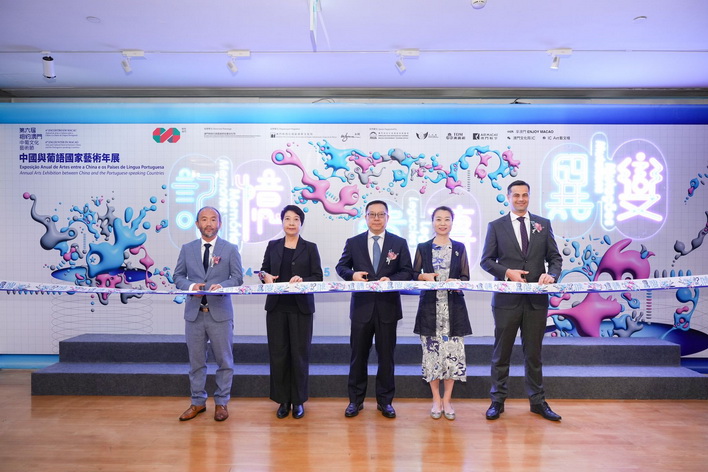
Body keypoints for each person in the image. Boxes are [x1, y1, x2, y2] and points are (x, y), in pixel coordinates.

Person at [480, 180, 563, 421]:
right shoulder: (496, 226)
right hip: (506, 301)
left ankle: (538, 402)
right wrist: (508, 272)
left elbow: (555, 258)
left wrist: (552, 275)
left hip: (536, 301)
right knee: (501, 353)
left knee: (534, 354)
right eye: (516, 195)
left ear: (529, 197)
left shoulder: (543, 224)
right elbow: (486, 261)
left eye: (524, 195)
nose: (520, 199)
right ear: (508, 198)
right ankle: (497, 401)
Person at [335, 200, 413, 419]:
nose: (376, 218)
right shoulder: (354, 242)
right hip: (362, 308)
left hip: (388, 308)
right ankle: (355, 401)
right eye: (372, 214)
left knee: (386, 358)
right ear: (366, 217)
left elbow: (408, 271)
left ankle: (385, 402)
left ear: (388, 217)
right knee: (358, 357)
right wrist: (353, 275)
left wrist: (392, 279)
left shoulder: (398, 243)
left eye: (381, 214)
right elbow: (341, 267)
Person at [174, 206, 243, 422]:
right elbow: (177, 277)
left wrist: (222, 286)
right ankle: (197, 402)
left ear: (219, 224)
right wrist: (191, 286)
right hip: (194, 315)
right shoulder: (187, 249)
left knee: (224, 361)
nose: (209, 223)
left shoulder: (230, 249)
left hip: (220, 314)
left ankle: (221, 402)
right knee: (196, 362)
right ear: (197, 224)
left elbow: (237, 278)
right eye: (204, 219)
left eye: (213, 219)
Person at [258, 205, 323, 419]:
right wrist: (265, 276)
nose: (291, 223)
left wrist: (303, 280)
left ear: (301, 223)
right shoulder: (273, 245)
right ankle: (283, 400)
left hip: (300, 309)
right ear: (282, 222)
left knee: (299, 355)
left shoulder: (310, 247)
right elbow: (263, 270)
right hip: (276, 308)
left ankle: (298, 401)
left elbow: (318, 277)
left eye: (296, 219)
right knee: (279, 355)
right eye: (287, 219)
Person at [413, 206, 472, 421]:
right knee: (432, 357)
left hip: (453, 310)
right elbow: (413, 273)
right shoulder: (423, 247)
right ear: (432, 222)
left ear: (452, 223)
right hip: (430, 309)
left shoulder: (459, 248)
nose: (442, 223)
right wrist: (424, 277)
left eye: (447, 219)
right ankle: (436, 399)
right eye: (438, 219)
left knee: (452, 357)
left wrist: (457, 281)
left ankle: (447, 400)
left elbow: (465, 277)